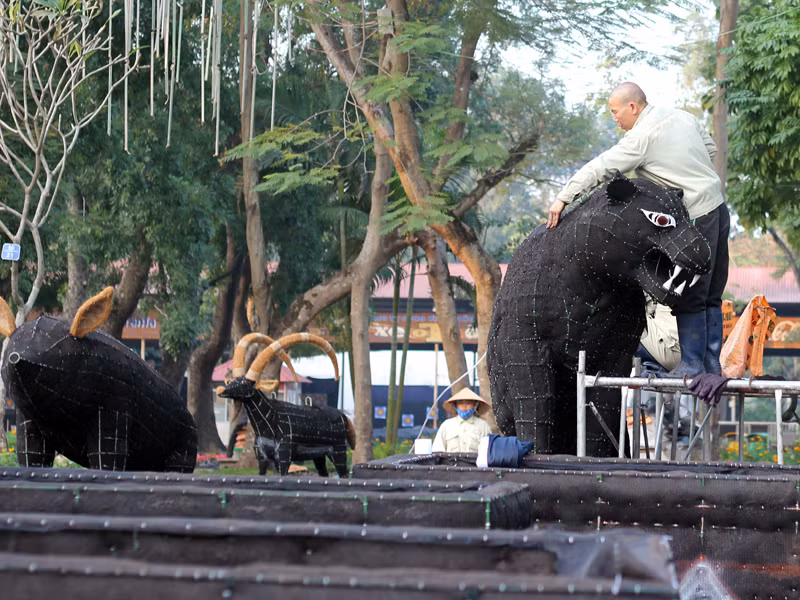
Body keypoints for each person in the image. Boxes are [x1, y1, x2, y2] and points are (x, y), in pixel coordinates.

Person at [547, 82, 729, 377]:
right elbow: (710, 147)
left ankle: (692, 363)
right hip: (718, 208)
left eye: (615, 111)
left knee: (690, 291)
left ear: (633, 107)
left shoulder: (641, 137)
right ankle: (710, 364)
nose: (614, 119)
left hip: (695, 214)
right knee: (712, 293)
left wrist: (563, 197)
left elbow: (601, 167)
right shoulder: (682, 116)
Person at [431, 387, 491, 453]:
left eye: (468, 403)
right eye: (460, 403)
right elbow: (438, 450)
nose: (464, 406)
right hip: (450, 463)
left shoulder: (483, 426)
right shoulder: (447, 425)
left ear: (475, 405)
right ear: (455, 405)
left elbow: (488, 452)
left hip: (475, 463)